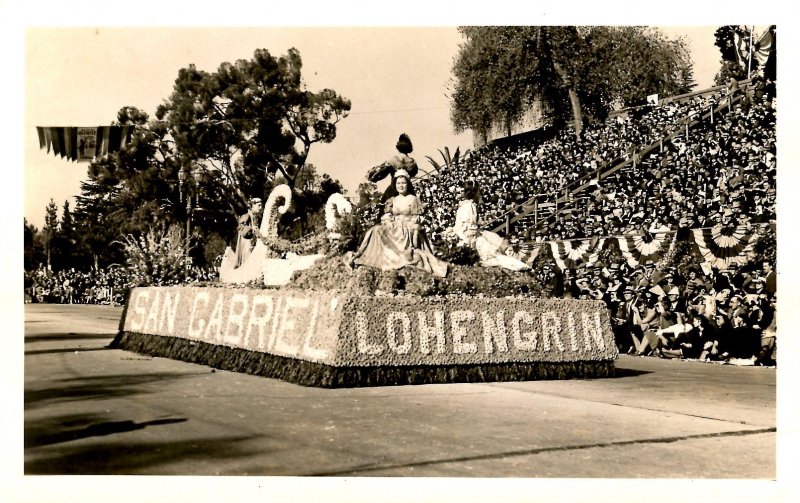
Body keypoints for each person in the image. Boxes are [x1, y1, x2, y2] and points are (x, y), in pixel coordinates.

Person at [349, 170, 448, 277]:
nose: (401, 186)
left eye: (403, 183)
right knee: (375, 230)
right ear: (395, 185)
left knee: (400, 236)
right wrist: (387, 220)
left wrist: (413, 225)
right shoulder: (393, 200)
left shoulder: (413, 199)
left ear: (408, 184)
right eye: (398, 183)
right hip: (394, 225)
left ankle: (396, 259)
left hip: (407, 227)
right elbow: (389, 214)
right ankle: (367, 256)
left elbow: (416, 217)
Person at [451, 180, 529, 271]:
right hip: (468, 238)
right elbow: (468, 229)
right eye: (479, 191)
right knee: (493, 257)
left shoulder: (466, 205)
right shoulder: (469, 206)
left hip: (467, 235)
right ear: (475, 192)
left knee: (495, 248)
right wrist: (471, 244)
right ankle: (519, 266)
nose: (480, 194)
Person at [368, 133, 419, 204]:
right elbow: (414, 173)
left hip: (393, 191)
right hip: (409, 190)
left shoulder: (393, 160)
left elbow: (381, 173)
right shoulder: (413, 162)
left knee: (383, 211)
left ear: (398, 147)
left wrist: (373, 178)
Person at [235, 197, 263, 268]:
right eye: (258, 205)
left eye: (261, 205)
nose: (260, 207)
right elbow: (240, 228)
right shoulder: (247, 216)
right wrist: (251, 228)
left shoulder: (256, 218)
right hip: (247, 243)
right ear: (253, 205)